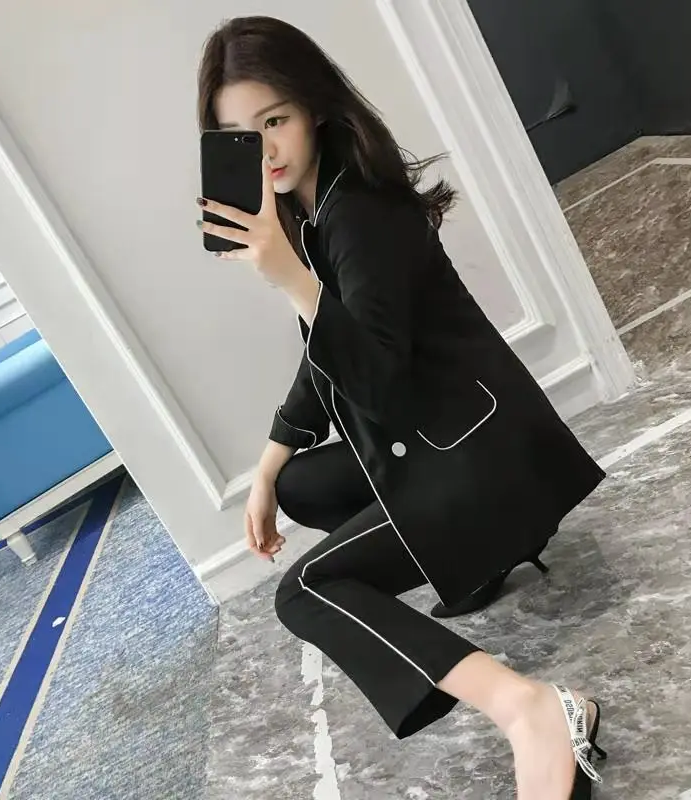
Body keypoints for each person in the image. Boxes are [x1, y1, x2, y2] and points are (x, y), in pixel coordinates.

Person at [196, 16, 608, 799]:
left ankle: (531, 711)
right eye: (242, 136)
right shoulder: (312, 210)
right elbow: (328, 357)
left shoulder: (361, 213)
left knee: (306, 592)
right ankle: (481, 561)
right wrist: (268, 465)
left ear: (314, 107)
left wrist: (291, 279)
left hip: (476, 454)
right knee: (301, 485)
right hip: (438, 438)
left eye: (275, 121)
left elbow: (377, 381)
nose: (266, 150)